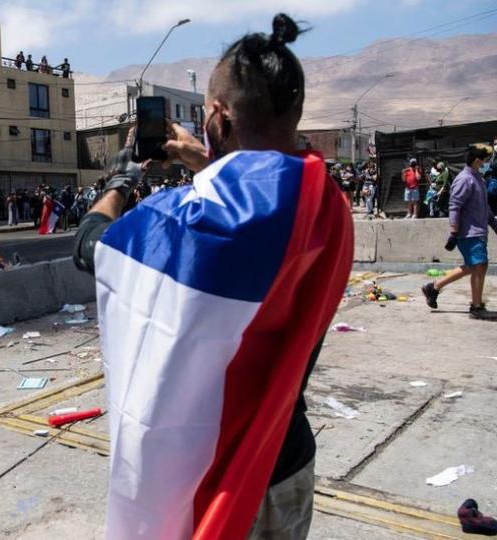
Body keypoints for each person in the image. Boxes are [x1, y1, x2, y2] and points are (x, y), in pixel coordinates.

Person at [73, 14, 352, 539]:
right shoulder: (323, 200)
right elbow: (258, 191)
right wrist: (201, 156)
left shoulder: (192, 219)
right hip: (289, 459)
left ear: (218, 114)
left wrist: (123, 176)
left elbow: (94, 247)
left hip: (220, 471)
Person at [422, 144, 497, 320]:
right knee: (478, 265)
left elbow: (483, 206)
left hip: (478, 231)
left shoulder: (478, 178)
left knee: (478, 266)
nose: (488, 163)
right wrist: (454, 231)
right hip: (468, 232)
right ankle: (476, 306)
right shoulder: (465, 179)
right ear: (478, 161)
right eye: (486, 160)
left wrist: (493, 222)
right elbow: (455, 205)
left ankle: (434, 287)